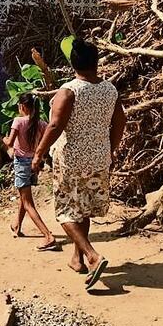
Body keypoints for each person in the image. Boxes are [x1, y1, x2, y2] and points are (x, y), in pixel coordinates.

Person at [32, 39, 125, 290]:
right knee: (83, 208)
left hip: (71, 159)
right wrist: (111, 149)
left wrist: (39, 153)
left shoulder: (69, 90)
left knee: (64, 212)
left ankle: (92, 255)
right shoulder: (110, 90)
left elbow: (54, 126)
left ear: (72, 62)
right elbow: (120, 122)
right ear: (96, 62)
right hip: (99, 158)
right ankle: (78, 258)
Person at [2, 94, 58, 251]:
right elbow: (49, 137)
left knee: (27, 203)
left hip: (21, 163)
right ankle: (16, 226)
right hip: (34, 163)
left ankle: (48, 236)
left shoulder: (18, 121)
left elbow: (11, 142)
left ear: (22, 107)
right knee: (23, 196)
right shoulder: (40, 123)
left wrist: (4, 140)